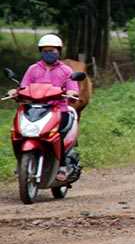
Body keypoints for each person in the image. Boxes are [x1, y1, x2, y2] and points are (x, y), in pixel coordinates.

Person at [6, 35, 80, 179]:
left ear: (58, 51)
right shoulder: (33, 69)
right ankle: (21, 162)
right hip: (33, 108)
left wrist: (72, 92)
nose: (48, 53)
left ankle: (63, 165)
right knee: (18, 132)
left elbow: (73, 89)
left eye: (52, 50)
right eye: (45, 51)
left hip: (58, 109)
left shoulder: (66, 71)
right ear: (41, 52)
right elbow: (23, 87)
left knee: (60, 134)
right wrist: (15, 92)